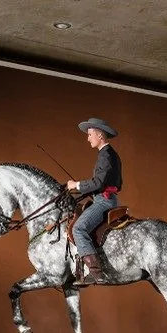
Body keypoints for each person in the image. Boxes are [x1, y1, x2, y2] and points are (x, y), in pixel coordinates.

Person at [67, 118, 122, 284]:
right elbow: (105, 183)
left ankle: (96, 274)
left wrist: (76, 184)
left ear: (99, 135)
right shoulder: (109, 154)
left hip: (104, 202)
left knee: (78, 229)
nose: (88, 138)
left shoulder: (106, 155)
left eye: (90, 134)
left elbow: (98, 183)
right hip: (103, 198)